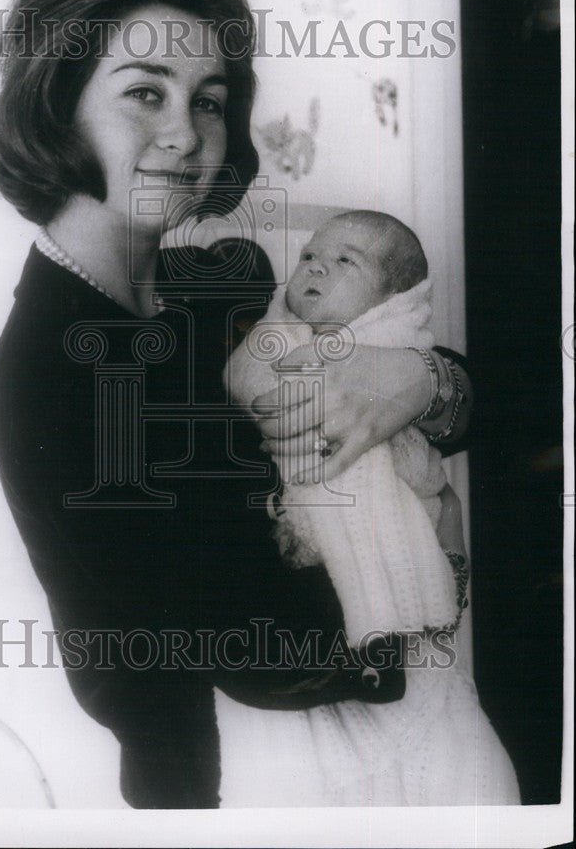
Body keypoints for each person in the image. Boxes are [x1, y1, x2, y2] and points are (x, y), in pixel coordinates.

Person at [0, 0, 472, 809]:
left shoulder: (224, 280)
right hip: (245, 790)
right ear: (61, 101)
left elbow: (473, 388)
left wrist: (421, 380)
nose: (184, 133)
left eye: (208, 98)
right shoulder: (55, 368)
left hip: (389, 739)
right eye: (146, 92)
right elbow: (251, 649)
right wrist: (437, 571)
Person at [222, 210, 520, 804]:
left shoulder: (396, 345)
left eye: (345, 262)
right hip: (308, 643)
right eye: (309, 257)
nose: (315, 267)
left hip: (417, 627)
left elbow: (464, 416)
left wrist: (419, 374)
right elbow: (251, 376)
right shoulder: (269, 336)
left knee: (466, 775)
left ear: (391, 299)